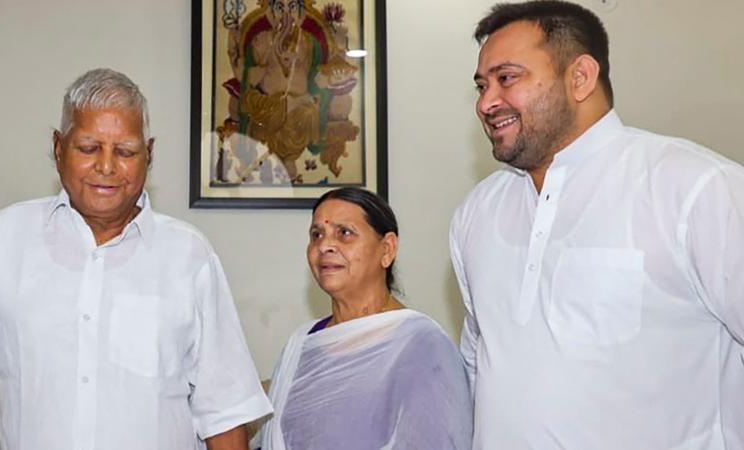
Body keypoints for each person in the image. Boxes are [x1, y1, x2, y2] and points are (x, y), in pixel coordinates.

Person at [450, 1, 744, 449]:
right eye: (481, 85)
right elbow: (478, 362)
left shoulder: (695, 189)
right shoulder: (478, 211)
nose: (487, 102)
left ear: (581, 77)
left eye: (507, 78)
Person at [0, 68, 272, 450]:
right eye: (88, 148)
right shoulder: (4, 239)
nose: (106, 166)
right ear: (57, 148)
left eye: (125, 151)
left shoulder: (189, 257)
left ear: (148, 155)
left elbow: (225, 410)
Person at [254, 187, 473, 450]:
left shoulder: (423, 346)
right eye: (316, 235)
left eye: (344, 233)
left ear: (387, 249)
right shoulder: (301, 344)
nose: (324, 245)